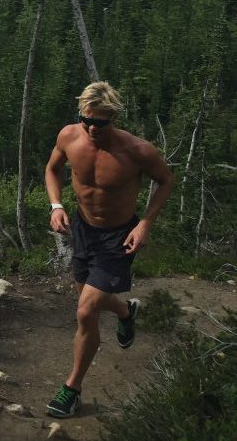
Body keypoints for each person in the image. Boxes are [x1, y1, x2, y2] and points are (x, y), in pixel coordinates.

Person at [44, 81, 174, 418]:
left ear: (112, 119)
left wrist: (145, 223)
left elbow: (166, 180)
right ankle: (125, 311)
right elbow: (52, 169)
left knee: (85, 313)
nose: (91, 128)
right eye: (86, 119)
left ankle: (71, 389)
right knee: (91, 305)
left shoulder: (136, 151)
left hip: (119, 237)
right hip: (84, 232)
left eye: (100, 123)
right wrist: (56, 205)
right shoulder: (70, 137)